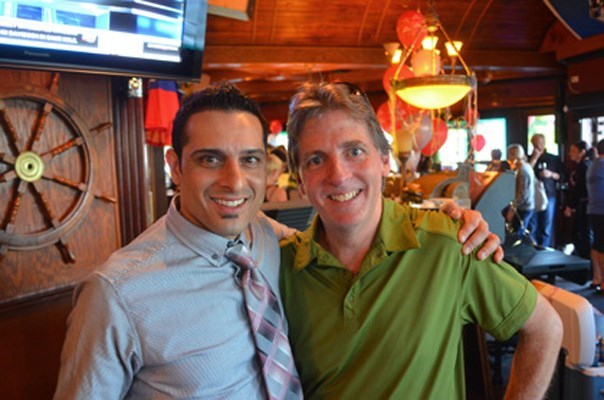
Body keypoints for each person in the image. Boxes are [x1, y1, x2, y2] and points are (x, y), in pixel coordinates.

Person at [54, 82, 500, 399]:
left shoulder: (273, 240)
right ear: (175, 166)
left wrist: (451, 218)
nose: (234, 182)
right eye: (210, 159)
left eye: (249, 160)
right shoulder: (117, 293)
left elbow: (347, 225)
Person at [280, 82, 562, 399]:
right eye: (316, 160)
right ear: (301, 181)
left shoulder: (449, 243)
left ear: (384, 160)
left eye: (355, 151)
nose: (339, 174)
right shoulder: (277, 269)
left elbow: (544, 327)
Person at [528, 133, 564, 247]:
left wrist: (551, 174)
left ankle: (545, 251)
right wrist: (534, 158)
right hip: (532, 196)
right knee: (532, 226)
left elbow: (562, 176)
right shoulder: (529, 159)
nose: (537, 146)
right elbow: (525, 172)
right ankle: (533, 251)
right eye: (534, 143)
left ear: (544, 143)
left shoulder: (553, 158)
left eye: (539, 143)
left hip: (549, 195)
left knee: (546, 226)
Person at [564, 140, 593, 259]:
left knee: (582, 234)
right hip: (584, 204)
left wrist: (570, 206)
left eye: (573, 151)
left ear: (582, 152)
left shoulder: (584, 167)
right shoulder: (586, 165)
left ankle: (585, 263)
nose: (570, 154)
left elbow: (579, 189)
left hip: (584, 205)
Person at [506, 143, 536, 236]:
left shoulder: (522, 171)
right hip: (528, 205)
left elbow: (522, 194)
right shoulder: (527, 167)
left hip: (523, 207)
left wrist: (513, 209)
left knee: (518, 235)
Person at [588, 140, 604, 292]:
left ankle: (597, 278)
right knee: (602, 245)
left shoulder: (593, 165)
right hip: (602, 210)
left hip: (594, 209)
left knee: (597, 244)